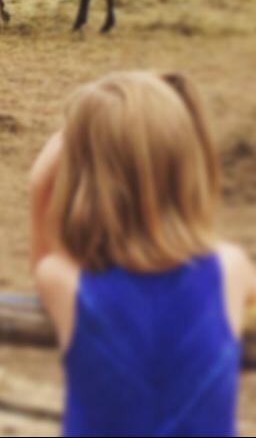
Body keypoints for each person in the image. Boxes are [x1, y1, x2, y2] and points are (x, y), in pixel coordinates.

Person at [29, 71, 256, 438]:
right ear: (185, 165)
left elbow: (44, 261)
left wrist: (38, 184)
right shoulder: (229, 269)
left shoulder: (66, 283)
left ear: (79, 181)